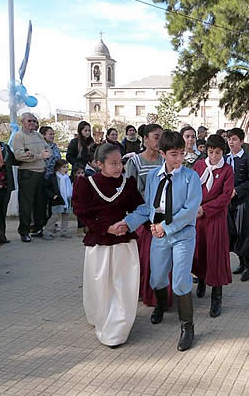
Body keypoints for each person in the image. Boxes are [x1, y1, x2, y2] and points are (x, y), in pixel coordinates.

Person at [116, 131, 202, 352]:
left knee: (181, 280)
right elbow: (148, 207)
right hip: (158, 233)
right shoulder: (153, 176)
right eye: (174, 154)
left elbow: (190, 210)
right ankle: (161, 305)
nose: (179, 159)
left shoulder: (190, 177)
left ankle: (187, 326)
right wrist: (128, 222)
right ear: (162, 153)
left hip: (182, 233)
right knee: (157, 278)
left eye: (182, 154)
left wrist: (167, 227)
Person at [72, 143, 145, 348]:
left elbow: (139, 208)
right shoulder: (86, 184)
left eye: (120, 163)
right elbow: (83, 213)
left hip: (124, 240)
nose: (118, 167)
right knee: (101, 284)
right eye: (112, 163)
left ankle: (118, 327)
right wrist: (106, 229)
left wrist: (138, 225)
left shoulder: (127, 184)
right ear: (99, 164)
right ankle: (100, 315)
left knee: (123, 284)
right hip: (100, 242)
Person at [124, 124, 170, 308]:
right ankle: (143, 291)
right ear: (145, 139)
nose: (159, 140)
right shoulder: (134, 162)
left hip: (162, 217)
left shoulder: (164, 161)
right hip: (143, 217)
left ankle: (161, 295)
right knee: (143, 257)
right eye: (156, 136)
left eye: (161, 137)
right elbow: (129, 190)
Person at [192, 135, 234, 317]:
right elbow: (191, 188)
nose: (214, 156)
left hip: (215, 217)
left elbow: (225, 197)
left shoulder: (227, 170)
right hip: (197, 217)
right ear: (206, 151)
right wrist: (194, 207)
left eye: (218, 152)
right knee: (199, 251)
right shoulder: (199, 166)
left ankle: (217, 295)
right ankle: (201, 279)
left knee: (215, 254)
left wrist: (206, 208)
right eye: (211, 152)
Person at [226, 128, 249, 282]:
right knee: (232, 233)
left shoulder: (248, 159)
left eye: (234, 139)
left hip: (242, 202)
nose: (231, 142)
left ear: (241, 141)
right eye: (229, 139)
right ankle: (241, 262)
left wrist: (237, 191)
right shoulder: (225, 159)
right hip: (227, 203)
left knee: (245, 233)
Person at [12, 113, 51, 242]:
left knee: (40, 203)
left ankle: (38, 228)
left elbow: (48, 149)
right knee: (26, 204)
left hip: (41, 172)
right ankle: (24, 231)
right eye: (30, 121)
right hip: (28, 173)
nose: (33, 123)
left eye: (35, 121)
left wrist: (37, 154)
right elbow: (19, 155)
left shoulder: (38, 135)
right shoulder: (19, 136)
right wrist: (38, 156)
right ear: (22, 121)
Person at [42, 159, 72, 240]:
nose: (66, 169)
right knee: (54, 216)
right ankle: (47, 232)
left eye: (67, 167)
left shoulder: (67, 178)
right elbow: (47, 188)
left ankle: (64, 231)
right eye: (64, 167)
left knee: (66, 215)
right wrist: (53, 195)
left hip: (67, 199)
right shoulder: (53, 177)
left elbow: (69, 188)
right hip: (57, 199)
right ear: (58, 168)